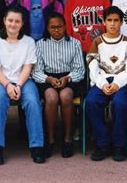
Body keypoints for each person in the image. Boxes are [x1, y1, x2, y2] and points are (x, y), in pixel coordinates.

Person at [0, 7, 45, 165]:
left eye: (17, 21)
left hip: (23, 81)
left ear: (22, 23)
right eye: (10, 20)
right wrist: (7, 85)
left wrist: (18, 85)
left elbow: (28, 67)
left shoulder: (29, 42)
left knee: (33, 101)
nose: (13, 24)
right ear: (4, 21)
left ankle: (37, 146)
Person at [85, 6, 127, 162]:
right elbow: (92, 67)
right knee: (92, 102)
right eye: (109, 20)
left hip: (121, 82)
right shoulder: (97, 42)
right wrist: (102, 83)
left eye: (116, 21)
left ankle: (119, 144)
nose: (112, 24)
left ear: (121, 23)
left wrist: (118, 84)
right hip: (102, 81)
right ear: (104, 22)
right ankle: (102, 143)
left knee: (120, 104)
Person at [32, 13, 85, 158]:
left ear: (65, 26)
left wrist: (67, 78)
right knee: (51, 97)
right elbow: (36, 71)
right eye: (53, 27)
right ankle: (50, 139)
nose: (56, 30)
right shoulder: (40, 44)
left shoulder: (74, 43)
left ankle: (67, 138)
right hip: (47, 78)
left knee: (66, 96)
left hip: (68, 77)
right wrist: (48, 79)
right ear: (47, 28)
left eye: (59, 26)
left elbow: (80, 70)